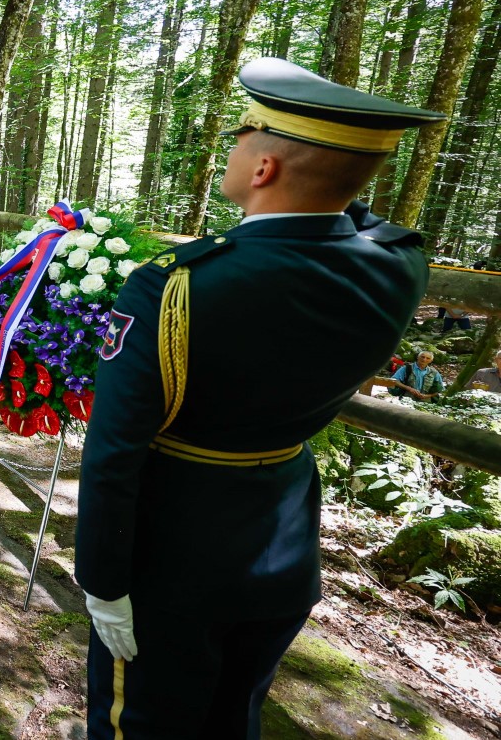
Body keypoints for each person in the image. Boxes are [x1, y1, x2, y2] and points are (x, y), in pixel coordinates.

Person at [73, 58, 441, 738]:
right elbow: (353, 216)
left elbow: (114, 451)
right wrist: (339, 171)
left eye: (243, 135)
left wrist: (101, 578)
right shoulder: (398, 265)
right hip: (283, 549)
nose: (232, 148)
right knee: (232, 721)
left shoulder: (172, 286)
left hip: (172, 562)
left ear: (265, 167)